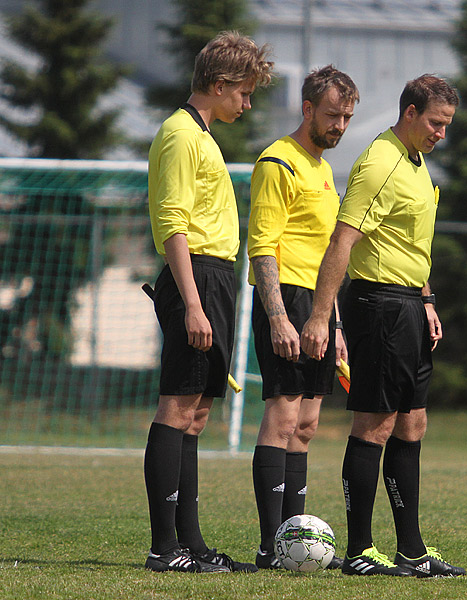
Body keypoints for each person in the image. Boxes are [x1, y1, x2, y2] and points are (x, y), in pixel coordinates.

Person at [299, 74, 464, 578]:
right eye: (435, 123)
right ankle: (359, 550)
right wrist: (322, 317)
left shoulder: (417, 164)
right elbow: (342, 241)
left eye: (446, 125)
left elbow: (409, 244)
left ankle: (411, 550)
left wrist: (427, 297)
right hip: (378, 307)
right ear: (410, 113)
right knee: (376, 423)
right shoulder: (381, 163)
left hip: (409, 305)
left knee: (413, 422)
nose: (440, 133)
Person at [144, 31, 273, 573]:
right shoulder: (179, 133)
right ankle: (163, 549)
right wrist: (194, 304)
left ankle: (191, 544)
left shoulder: (205, 135)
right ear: (218, 85)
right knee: (177, 407)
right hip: (193, 277)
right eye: (243, 92)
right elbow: (173, 223)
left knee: (196, 414)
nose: (246, 103)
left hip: (216, 277)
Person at [248, 65, 359, 571]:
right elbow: (263, 247)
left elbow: (327, 254)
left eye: (347, 118)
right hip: (286, 302)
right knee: (284, 414)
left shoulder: (323, 167)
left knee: (309, 425)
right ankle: (271, 545)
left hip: (318, 306)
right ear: (308, 108)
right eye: (333, 115)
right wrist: (277, 318)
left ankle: (295, 544)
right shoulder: (279, 162)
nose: (340, 126)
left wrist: (332, 325)